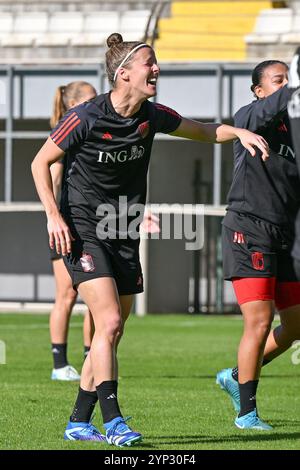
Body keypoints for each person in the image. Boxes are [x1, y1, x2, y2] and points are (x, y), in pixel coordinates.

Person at [31, 32, 268, 447]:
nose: (157, 69)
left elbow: (205, 132)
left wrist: (239, 132)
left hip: (123, 228)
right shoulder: (86, 116)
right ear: (123, 74)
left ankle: (77, 422)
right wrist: (54, 216)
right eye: (150, 64)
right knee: (105, 323)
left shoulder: (152, 115)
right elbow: (40, 161)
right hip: (84, 228)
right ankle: (115, 420)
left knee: (113, 330)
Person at [216, 60, 300, 430]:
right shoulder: (249, 116)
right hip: (249, 229)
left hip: (287, 234)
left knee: (296, 326)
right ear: (259, 90)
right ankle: (247, 413)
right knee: (260, 321)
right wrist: (294, 86)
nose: (285, 86)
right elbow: (272, 108)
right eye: (278, 81)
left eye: (288, 79)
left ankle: (236, 375)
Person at [49, 81, 97, 381]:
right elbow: (53, 181)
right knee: (66, 294)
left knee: (96, 295)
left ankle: (92, 356)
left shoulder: (90, 136)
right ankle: (59, 364)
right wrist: (54, 218)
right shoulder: (63, 137)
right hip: (65, 225)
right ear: (72, 105)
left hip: (91, 224)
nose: (97, 103)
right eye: (90, 99)